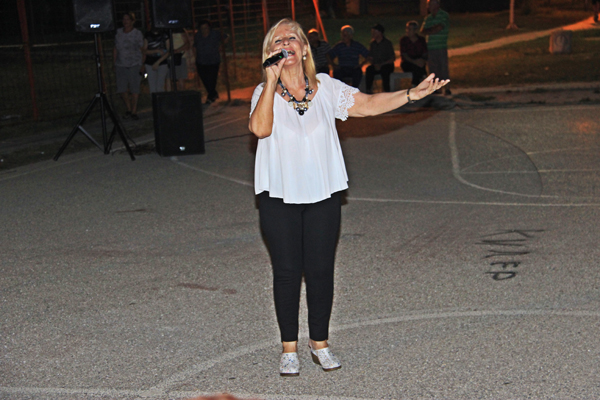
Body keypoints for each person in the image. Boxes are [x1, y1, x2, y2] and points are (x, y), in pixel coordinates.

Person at [248, 18, 448, 377]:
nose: (285, 43)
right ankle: (289, 348)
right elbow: (260, 129)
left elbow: (368, 104)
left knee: (321, 270)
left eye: (292, 37)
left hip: (322, 193)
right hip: (279, 196)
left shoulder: (325, 87)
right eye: (277, 40)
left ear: (304, 49)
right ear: (269, 52)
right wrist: (272, 80)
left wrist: (410, 95)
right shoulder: (263, 93)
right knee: (287, 271)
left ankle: (320, 343)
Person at [113, 12, 144, 120]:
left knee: (134, 88)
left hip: (134, 64)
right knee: (122, 88)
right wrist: (114, 62)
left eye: (127, 19)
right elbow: (116, 48)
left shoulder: (137, 33)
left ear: (132, 21)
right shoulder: (119, 33)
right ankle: (129, 108)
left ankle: (134, 111)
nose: (125, 21)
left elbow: (142, 49)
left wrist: (142, 63)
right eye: (124, 19)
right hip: (121, 64)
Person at [421, 0, 451, 95]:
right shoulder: (428, 18)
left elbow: (439, 27)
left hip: (441, 46)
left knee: (443, 68)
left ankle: (447, 88)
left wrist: (430, 30)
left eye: (430, 4)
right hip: (430, 47)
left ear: (437, 4)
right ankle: (437, 89)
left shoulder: (443, 15)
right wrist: (433, 29)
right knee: (433, 69)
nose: (428, 6)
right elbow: (423, 31)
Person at [193, 20, 226, 104]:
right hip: (201, 60)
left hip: (213, 60)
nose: (204, 30)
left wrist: (221, 46)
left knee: (212, 79)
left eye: (206, 28)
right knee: (204, 79)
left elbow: (226, 37)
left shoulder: (215, 34)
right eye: (202, 28)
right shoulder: (198, 35)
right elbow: (195, 46)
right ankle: (213, 93)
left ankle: (210, 96)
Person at [365, 23, 395, 93]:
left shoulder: (387, 43)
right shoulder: (372, 44)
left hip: (386, 64)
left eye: (374, 32)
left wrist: (381, 64)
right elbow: (370, 57)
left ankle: (386, 90)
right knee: (369, 70)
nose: (372, 34)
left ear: (380, 32)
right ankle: (368, 90)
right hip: (376, 65)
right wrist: (374, 64)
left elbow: (392, 58)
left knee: (385, 71)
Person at [400, 21, 428, 87]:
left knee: (418, 67)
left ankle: (415, 85)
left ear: (415, 30)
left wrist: (422, 60)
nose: (407, 31)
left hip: (419, 60)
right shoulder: (404, 40)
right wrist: (414, 61)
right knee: (418, 68)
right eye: (407, 28)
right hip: (408, 62)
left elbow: (425, 53)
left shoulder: (421, 40)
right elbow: (404, 55)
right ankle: (422, 79)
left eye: (410, 29)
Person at [142, 28, 170, 93]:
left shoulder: (165, 35)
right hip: (149, 62)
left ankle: (161, 99)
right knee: (152, 87)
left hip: (162, 62)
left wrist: (158, 62)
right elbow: (144, 50)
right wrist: (156, 51)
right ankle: (154, 99)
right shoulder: (148, 35)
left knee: (160, 86)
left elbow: (168, 51)